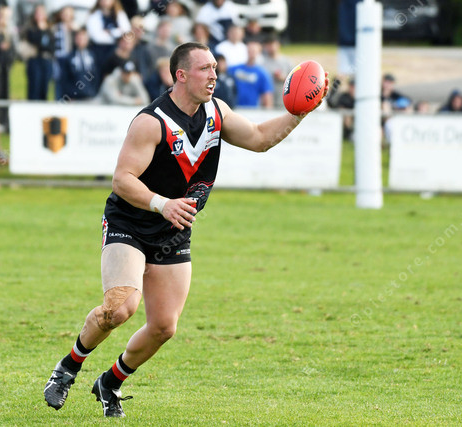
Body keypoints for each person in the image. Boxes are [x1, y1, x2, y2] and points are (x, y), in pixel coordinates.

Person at [43, 41, 329, 418]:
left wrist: (300, 111)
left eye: (215, 68)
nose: (214, 75)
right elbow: (122, 179)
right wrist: (162, 203)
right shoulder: (152, 122)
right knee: (120, 308)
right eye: (204, 69)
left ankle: (109, 382)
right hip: (130, 223)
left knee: (164, 327)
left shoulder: (217, 112)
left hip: (173, 232)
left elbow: (260, 139)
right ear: (180, 75)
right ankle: (67, 368)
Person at [56, 27, 99, 101]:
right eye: (79, 38)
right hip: (73, 98)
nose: (81, 40)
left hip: (89, 98)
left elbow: (96, 76)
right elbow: (64, 79)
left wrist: (93, 93)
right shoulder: (69, 58)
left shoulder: (92, 57)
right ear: (75, 39)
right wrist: (68, 95)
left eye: (83, 38)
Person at [228, 39, 273, 108]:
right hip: (235, 107)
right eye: (250, 50)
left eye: (254, 51)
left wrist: (267, 111)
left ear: (259, 52)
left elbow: (267, 95)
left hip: (253, 110)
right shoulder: (234, 69)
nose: (251, 53)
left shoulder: (262, 73)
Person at [23, 5, 54, 100]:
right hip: (35, 60)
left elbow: (51, 46)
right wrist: (40, 30)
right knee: (34, 87)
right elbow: (35, 42)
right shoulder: (31, 29)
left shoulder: (50, 30)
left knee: (44, 88)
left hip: (46, 60)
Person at [259, 35, 292, 109]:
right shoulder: (261, 62)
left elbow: (295, 81)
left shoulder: (286, 62)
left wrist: (283, 78)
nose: (271, 47)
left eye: (272, 44)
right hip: (267, 103)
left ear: (278, 45)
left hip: (283, 101)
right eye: (268, 45)